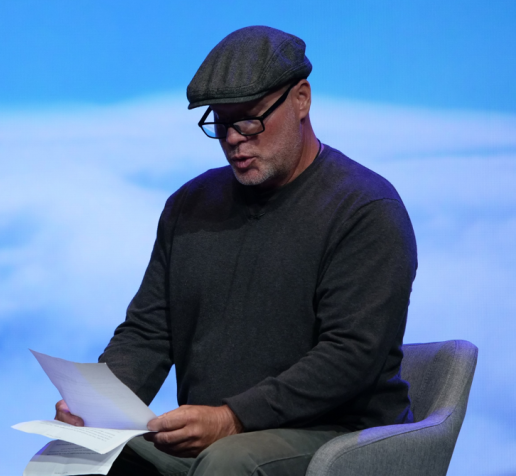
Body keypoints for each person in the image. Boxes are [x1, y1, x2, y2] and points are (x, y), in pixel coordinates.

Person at [55, 26, 417, 475]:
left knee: (230, 460)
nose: (232, 138)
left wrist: (232, 419)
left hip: (335, 435)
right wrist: (95, 407)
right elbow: (149, 330)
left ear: (301, 99)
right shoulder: (189, 206)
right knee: (80, 449)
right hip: (214, 437)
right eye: (220, 122)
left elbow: (349, 356)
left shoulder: (365, 210)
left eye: (248, 119)